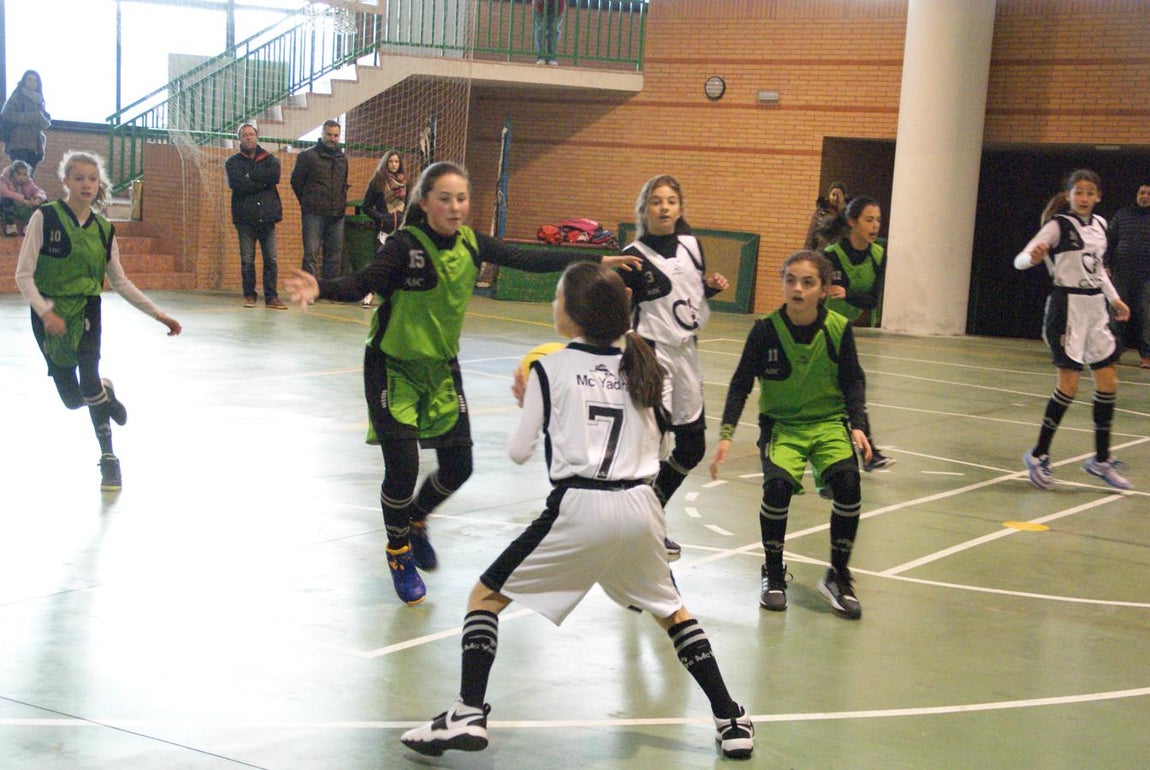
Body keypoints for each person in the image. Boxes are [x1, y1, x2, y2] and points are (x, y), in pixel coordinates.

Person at [399, 261, 754, 760]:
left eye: (557, 298)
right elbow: (664, 438)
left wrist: (532, 403)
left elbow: (521, 451)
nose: (552, 305)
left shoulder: (551, 367)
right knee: (672, 612)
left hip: (579, 506)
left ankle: (468, 711)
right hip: (642, 506)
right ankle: (731, 717)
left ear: (574, 312)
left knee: (485, 596)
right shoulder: (647, 364)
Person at [282, 162, 641, 605]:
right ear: (425, 202)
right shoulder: (404, 246)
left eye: (462, 198)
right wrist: (322, 286)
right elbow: (364, 283)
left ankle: (415, 519)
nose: (455, 207)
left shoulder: (472, 244)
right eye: (446, 198)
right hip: (392, 366)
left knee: (459, 467)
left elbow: (524, 258)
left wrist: (595, 258)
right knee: (402, 469)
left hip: (440, 367)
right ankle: (398, 552)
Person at [710, 250, 871, 620]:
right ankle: (773, 572)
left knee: (848, 484)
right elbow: (740, 384)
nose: (797, 288)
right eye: (791, 280)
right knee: (777, 488)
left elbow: (853, 380)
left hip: (829, 422)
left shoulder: (838, 329)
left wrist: (859, 424)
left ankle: (838, 575)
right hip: (782, 426)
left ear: (824, 290)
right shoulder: (765, 329)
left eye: (808, 282)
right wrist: (726, 434)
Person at [14, 151, 182, 491]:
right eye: (79, 178)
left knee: (88, 378)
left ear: (98, 184)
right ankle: (106, 393)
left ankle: (109, 460)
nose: (86, 184)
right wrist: (45, 311)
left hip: (88, 309)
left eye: (92, 179)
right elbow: (23, 275)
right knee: (73, 399)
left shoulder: (105, 230)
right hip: (48, 314)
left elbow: (120, 281)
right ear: (66, 182)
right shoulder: (44, 218)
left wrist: (159, 314)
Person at [618, 174, 728, 559]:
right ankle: (640, 527)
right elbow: (620, 308)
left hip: (687, 355)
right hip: (651, 354)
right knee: (652, 446)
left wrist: (709, 287)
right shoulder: (631, 254)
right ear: (644, 209)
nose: (664, 207)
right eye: (656, 201)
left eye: (671, 201)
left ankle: (648, 514)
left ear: (680, 208)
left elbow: (688, 293)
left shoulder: (692, 245)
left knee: (692, 445)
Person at [1016, 169, 1133, 491]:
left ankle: (1101, 459)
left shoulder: (1101, 226)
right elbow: (1020, 260)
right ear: (1068, 195)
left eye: (1089, 192)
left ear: (1098, 196)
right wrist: (1033, 258)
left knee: (1108, 382)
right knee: (1069, 385)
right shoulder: (1057, 226)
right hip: (1066, 308)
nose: (1083, 198)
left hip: (1095, 309)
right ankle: (1038, 454)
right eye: (1078, 192)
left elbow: (1099, 271)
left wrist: (1115, 299)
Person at [822, 195, 893, 471]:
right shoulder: (831, 255)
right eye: (869, 220)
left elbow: (871, 301)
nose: (875, 226)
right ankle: (868, 452)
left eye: (878, 220)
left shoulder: (878, 255)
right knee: (849, 385)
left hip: (843, 327)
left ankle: (868, 452)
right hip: (821, 325)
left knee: (849, 386)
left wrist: (849, 294)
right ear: (852, 222)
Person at [225, 124, 287, 309]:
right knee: (247, 260)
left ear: (257, 136)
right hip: (245, 219)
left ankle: (271, 297)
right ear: (239, 139)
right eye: (245, 135)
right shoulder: (232, 162)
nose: (249, 138)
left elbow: (274, 176)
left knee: (271, 259)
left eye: (251, 134)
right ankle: (249, 295)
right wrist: (262, 181)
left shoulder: (269, 159)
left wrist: (250, 176)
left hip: (267, 218)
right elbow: (238, 184)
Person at [290, 119, 349, 281]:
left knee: (334, 255)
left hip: (337, 214)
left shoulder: (342, 159)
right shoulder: (307, 157)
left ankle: (328, 291)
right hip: (313, 214)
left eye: (336, 135)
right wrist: (308, 202)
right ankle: (308, 289)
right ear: (322, 134)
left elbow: (343, 184)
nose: (333, 138)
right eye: (329, 134)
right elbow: (296, 182)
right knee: (311, 254)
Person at [1104, 180, 1150, 369]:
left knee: (1147, 316)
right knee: (1115, 313)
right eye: (1142, 193)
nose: (1145, 196)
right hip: (1122, 274)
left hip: (1147, 276)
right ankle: (1112, 352)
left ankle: (1147, 355)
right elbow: (1108, 241)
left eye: (1148, 193)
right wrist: (1105, 264)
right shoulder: (1122, 215)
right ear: (1137, 194)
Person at [359, 149, 407, 308]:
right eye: (391, 161)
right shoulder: (377, 181)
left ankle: (396, 296)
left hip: (400, 229)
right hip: (383, 229)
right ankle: (369, 293)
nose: (394, 164)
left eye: (396, 162)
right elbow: (366, 206)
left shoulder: (405, 183)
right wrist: (381, 218)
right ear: (386, 163)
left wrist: (405, 220)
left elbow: (409, 206)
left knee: (400, 264)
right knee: (378, 263)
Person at [1, 70, 50, 176]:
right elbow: (7, 115)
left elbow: (40, 121)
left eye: (35, 81)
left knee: (29, 180)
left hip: (35, 147)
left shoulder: (39, 100)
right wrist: (33, 116)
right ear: (24, 82)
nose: (32, 83)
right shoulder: (17, 96)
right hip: (19, 144)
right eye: (29, 79)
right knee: (18, 178)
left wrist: (43, 120)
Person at [0, 159, 47, 236]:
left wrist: (38, 199)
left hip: (23, 210)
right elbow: (5, 193)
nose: (22, 177)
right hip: (6, 210)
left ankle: (28, 226)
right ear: (12, 174)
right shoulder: (3, 179)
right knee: (6, 199)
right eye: (19, 174)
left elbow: (41, 192)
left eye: (25, 174)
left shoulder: (29, 182)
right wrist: (24, 200)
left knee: (44, 203)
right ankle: (10, 226)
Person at [803, 181, 847, 251]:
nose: (836, 198)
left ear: (844, 196)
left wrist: (841, 210)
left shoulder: (848, 214)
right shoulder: (820, 213)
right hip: (822, 253)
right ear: (829, 195)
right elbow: (811, 237)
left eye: (839, 195)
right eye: (833, 195)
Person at [533, 0, 565, 66]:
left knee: (553, 31)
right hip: (541, 4)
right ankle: (543, 57)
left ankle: (550, 57)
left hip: (556, 4)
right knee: (541, 30)